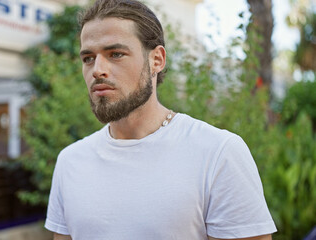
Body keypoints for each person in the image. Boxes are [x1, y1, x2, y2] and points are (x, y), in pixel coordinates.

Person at [44, 0, 277, 239]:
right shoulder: (70, 161)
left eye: (115, 54)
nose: (97, 70)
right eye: (88, 58)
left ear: (157, 60)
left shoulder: (218, 152)